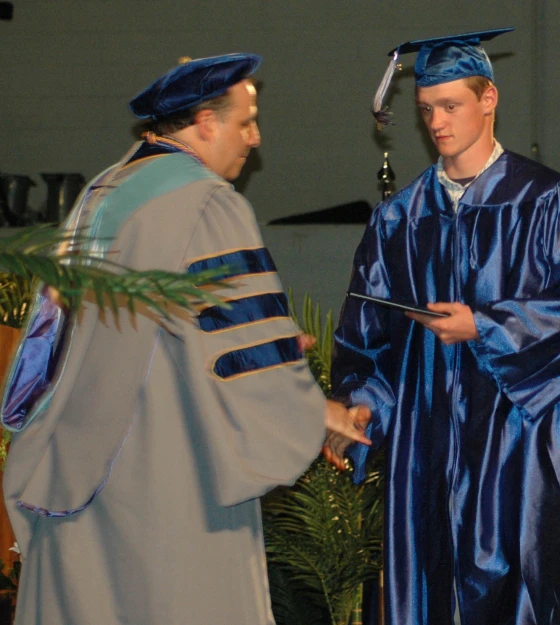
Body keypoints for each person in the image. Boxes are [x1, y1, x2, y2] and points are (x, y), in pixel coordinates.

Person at [1, 54, 370, 625]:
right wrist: (312, 409)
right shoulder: (205, 202)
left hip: (77, 465)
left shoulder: (104, 192)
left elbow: (57, 342)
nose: (256, 137)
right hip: (165, 469)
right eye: (245, 121)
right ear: (205, 122)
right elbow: (242, 356)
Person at [324, 28, 560, 625]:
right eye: (427, 110)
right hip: (425, 454)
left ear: (489, 100)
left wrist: (487, 326)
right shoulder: (400, 220)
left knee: (520, 595)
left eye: (451, 106)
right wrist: (361, 408)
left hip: (519, 451)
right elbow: (367, 340)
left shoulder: (549, 202)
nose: (437, 123)